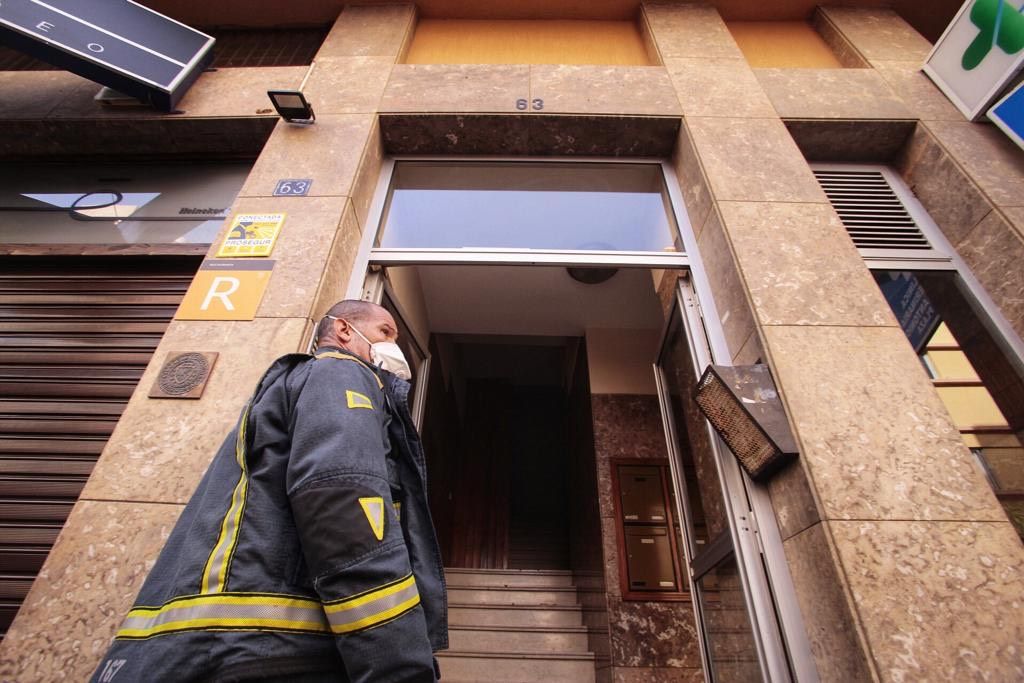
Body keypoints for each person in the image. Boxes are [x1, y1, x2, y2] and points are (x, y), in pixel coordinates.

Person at [91, 300, 448, 683]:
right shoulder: (341, 373)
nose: (394, 347)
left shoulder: (293, 386)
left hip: (208, 647)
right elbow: (346, 505)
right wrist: (399, 662)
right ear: (345, 330)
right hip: (272, 649)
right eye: (386, 333)